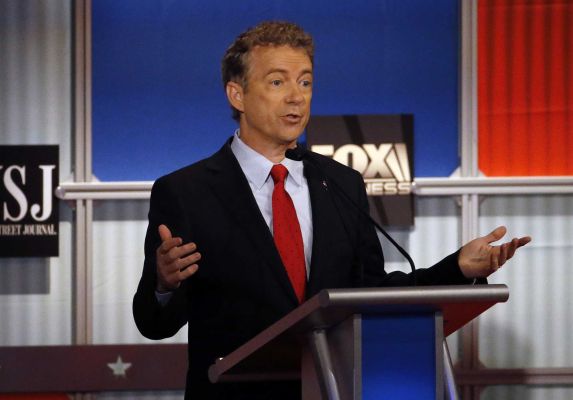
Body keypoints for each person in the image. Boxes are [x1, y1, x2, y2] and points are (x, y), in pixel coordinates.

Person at [133, 21, 531, 400]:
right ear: (237, 95)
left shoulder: (340, 183)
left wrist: (457, 268)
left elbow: (370, 294)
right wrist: (164, 286)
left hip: (330, 390)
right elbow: (153, 323)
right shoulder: (186, 191)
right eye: (277, 82)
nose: (297, 96)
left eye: (305, 81)